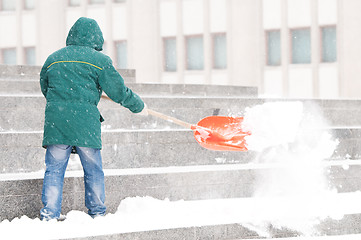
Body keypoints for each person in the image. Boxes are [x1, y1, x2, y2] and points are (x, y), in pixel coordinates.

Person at [39, 17, 147, 221]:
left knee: (53, 170)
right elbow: (119, 92)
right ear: (96, 38)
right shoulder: (100, 61)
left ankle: (49, 214)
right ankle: (97, 211)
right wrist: (138, 106)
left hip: (57, 123)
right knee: (93, 170)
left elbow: (45, 86)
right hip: (85, 125)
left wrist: (62, 102)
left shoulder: (53, 58)